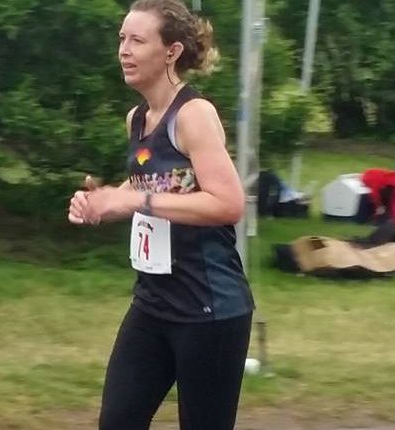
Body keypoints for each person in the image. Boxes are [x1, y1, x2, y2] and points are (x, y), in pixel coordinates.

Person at [67, 1, 255, 429]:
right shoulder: (137, 119)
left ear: (171, 52)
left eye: (137, 40)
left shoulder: (194, 115)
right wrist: (103, 201)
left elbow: (228, 204)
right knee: (117, 422)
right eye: (122, 39)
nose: (124, 50)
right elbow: (152, 183)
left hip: (210, 309)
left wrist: (136, 201)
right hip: (153, 303)